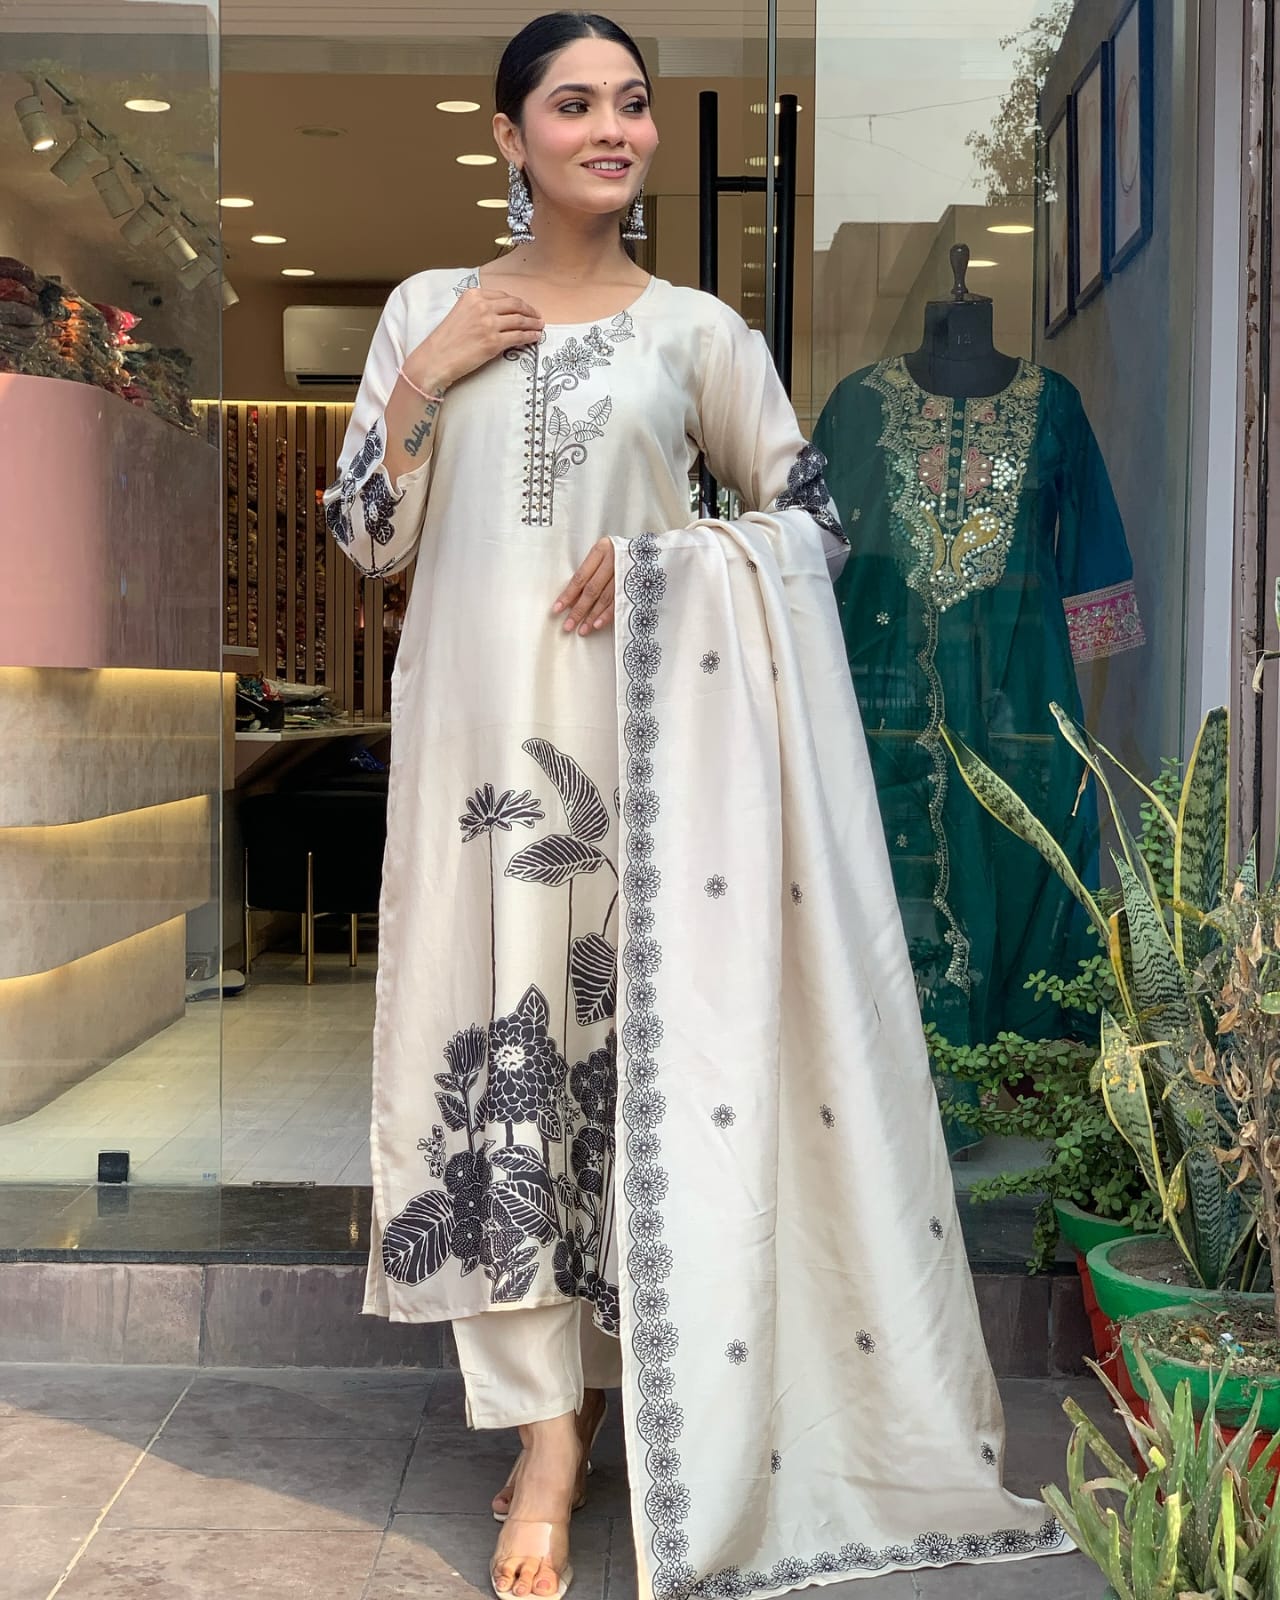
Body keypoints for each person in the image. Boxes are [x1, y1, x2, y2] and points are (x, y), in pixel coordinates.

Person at [324, 13, 1070, 1600]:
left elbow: (817, 523)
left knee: (634, 1073)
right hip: (476, 772)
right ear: (510, 135)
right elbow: (368, 540)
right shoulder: (422, 310)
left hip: (653, 777)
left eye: (633, 103)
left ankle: (641, 1392)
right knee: (497, 1075)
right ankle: (545, 1440)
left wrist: (685, 559)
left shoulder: (697, 333)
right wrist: (428, 380)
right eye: (573, 104)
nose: (614, 129)